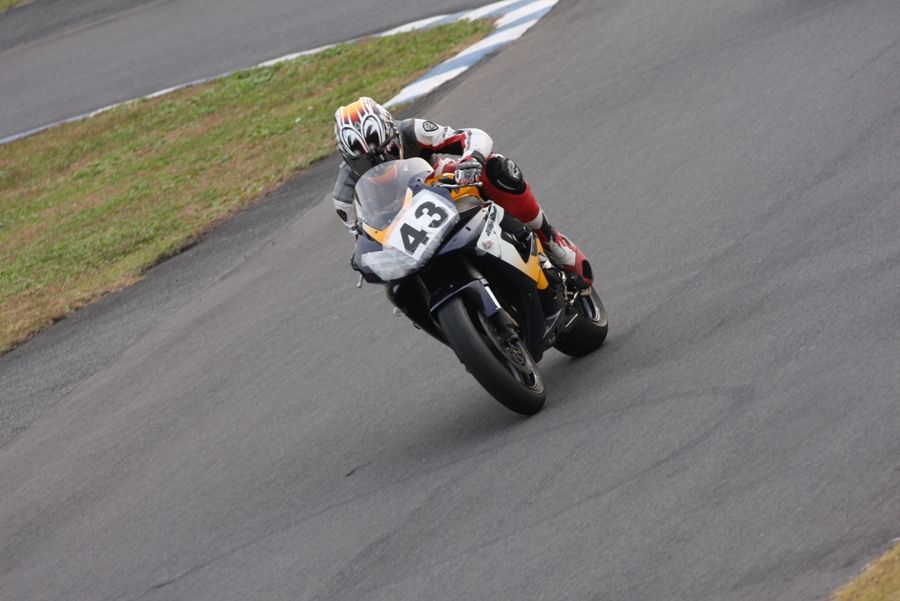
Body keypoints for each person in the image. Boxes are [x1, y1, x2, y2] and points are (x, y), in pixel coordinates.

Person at [331, 97, 592, 288]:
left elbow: (472, 136)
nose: (380, 163)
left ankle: (549, 239)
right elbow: (361, 236)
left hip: (440, 186)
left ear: (392, 133)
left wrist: (472, 159)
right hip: (402, 228)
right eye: (365, 162)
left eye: (387, 150)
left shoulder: (410, 130)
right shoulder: (343, 196)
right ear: (348, 159)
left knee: (496, 167)